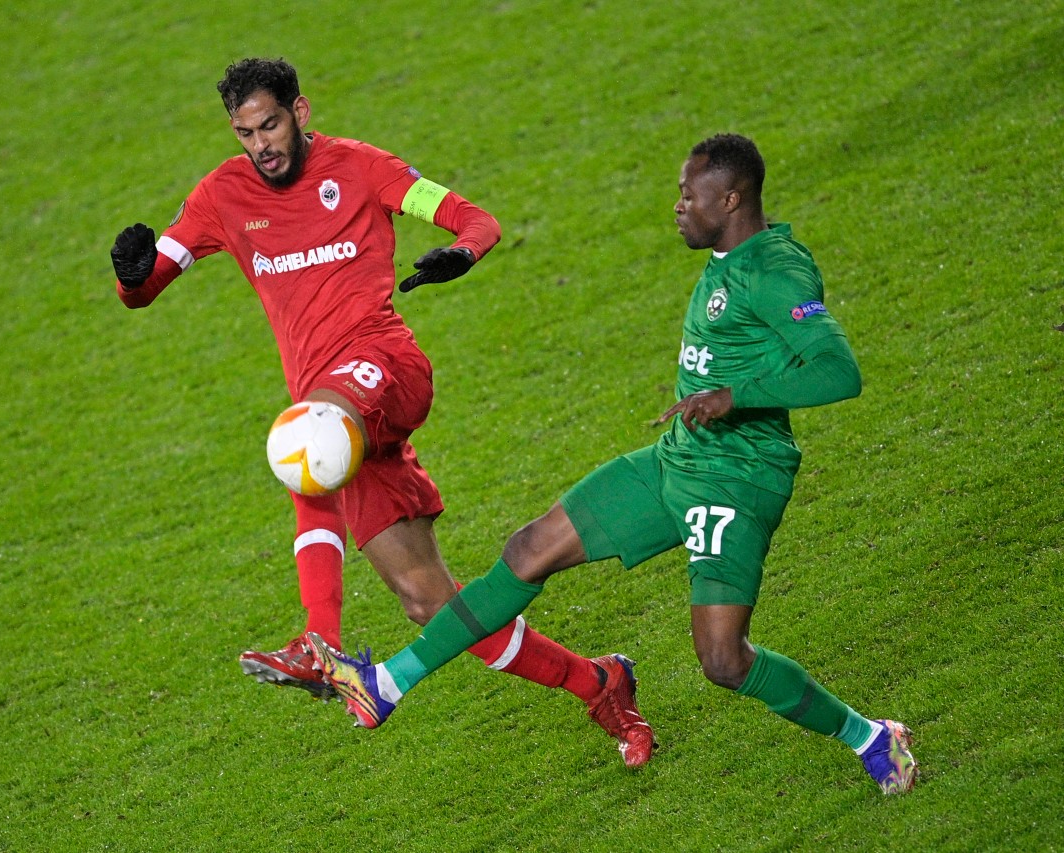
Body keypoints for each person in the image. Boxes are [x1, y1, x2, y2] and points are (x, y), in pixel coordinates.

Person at [310, 133, 919, 793]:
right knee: (528, 549)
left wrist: (734, 395)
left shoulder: (774, 272)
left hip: (738, 480)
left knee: (723, 659)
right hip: (677, 459)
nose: (679, 206)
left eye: (692, 194)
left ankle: (871, 735)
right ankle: (388, 683)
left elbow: (839, 370)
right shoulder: (728, 256)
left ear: (732, 197)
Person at [109, 57, 655, 764]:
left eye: (270, 124)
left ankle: (319, 641)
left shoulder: (362, 167)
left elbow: (473, 217)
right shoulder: (222, 194)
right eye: (245, 132)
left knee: (305, 439)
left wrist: (463, 251)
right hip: (341, 416)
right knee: (430, 603)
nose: (261, 144)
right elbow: (149, 285)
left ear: (300, 113)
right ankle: (600, 682)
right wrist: (130, 274)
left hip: (386, 367)